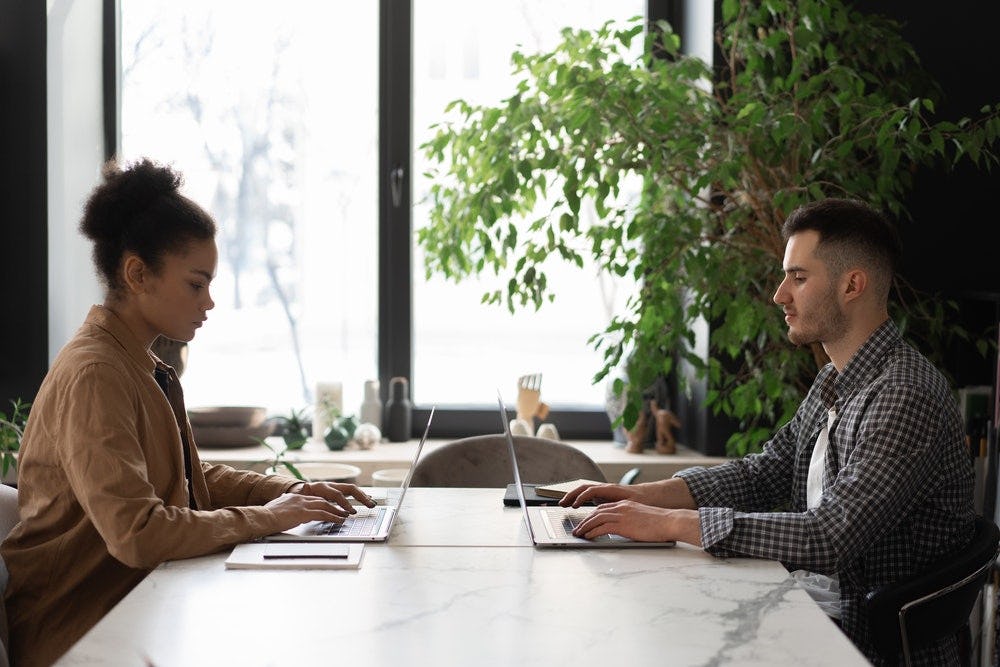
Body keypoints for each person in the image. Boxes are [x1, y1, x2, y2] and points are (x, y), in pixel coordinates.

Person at [561, 198, 974, 665]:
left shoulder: (905, 395)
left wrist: (668, 524)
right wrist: (638, 497)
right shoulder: (836, 379)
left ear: (852, 284)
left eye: (798, 277)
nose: (780, 294)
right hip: (813, 608)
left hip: (862, 643)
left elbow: (828, 537)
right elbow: (766, 473)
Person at [0, 158, 375, 667]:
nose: (210, 302)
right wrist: (267, 519)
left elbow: (189, 479)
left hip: (139, 610)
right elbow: (138, 534)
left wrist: (290, 493)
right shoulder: (96, 375)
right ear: (137, 274)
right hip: (79, 633)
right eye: (196, 284)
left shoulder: (139, 364)